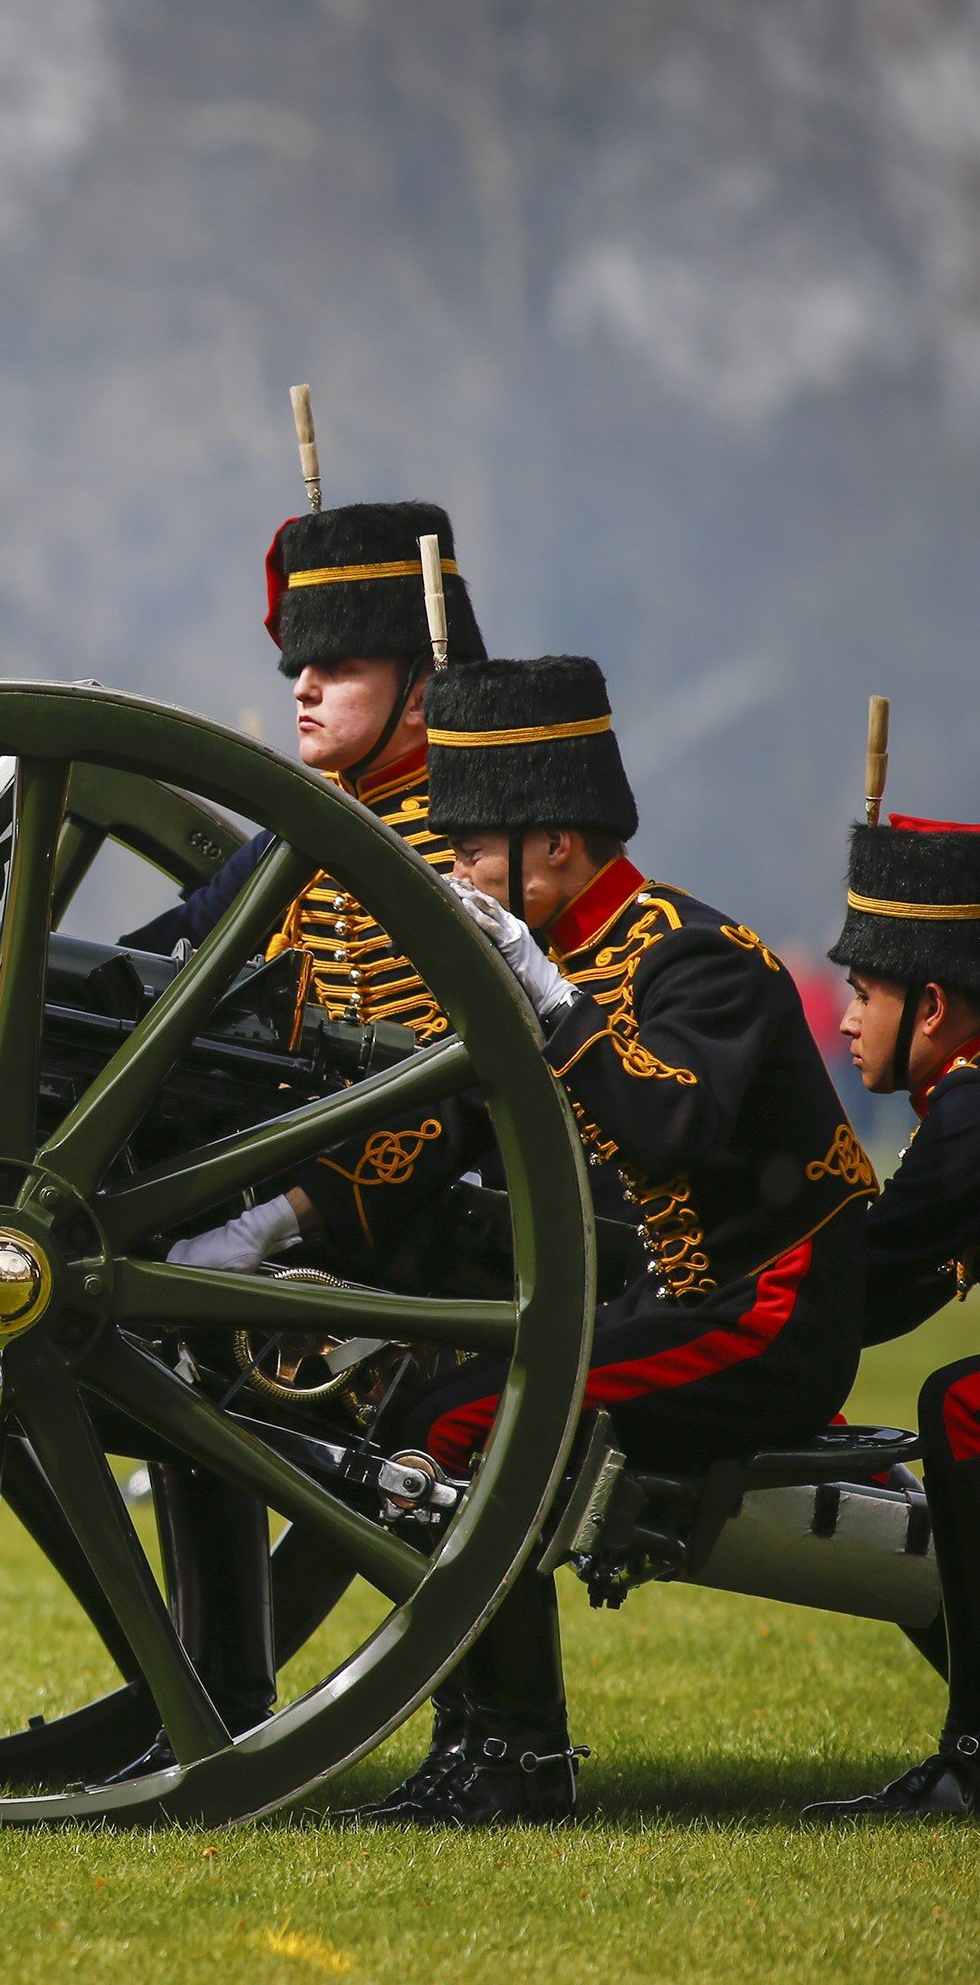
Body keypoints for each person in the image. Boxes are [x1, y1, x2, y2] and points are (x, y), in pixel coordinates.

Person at [351, 654, 875, 1826]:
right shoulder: (554, 962)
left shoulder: (694, 953)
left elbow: (673, 1120)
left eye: (478, 848)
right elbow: (446, 1133)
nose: (460, 872)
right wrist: (270, 1218)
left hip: (764, 1313)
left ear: (556, 845)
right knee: (426, 1398)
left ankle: (522, 1761)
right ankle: (476, 1739)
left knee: (463, 1420)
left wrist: (544, 993)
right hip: (670, 1306)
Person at [115, 497, 486, 1764]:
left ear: (424, 688)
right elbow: (167, 964)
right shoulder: (313, 830)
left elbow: (439, 1102)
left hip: (444, 1245)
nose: (307, 689)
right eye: (299, 669)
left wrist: (269, 1223)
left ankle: (237, 1710)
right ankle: (219, 1702)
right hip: (324, 1223)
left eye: (339, 668)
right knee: (191, 1372)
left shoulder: (469, 861)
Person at [803, 787, 980, 1819]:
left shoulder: (966, 1107)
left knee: (961, 1405)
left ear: (936, 1006)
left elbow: (863, 1279)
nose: (847, 1016)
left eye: (865, 990)